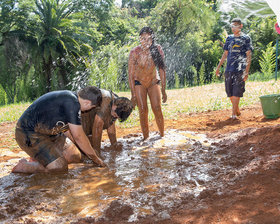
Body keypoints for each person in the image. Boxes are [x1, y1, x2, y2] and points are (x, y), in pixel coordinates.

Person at [12, 86, 106, 174]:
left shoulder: (71, 100)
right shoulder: (73, 103)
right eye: (92, 107)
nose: (88, 110)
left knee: (75, 156)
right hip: (28, 133)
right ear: (87, 103)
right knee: (59, 167)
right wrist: (96, 159)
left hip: (47, 133)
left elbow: (67, 130)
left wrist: (85, 151)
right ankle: (25, 166)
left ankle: (40, 158)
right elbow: (79, 137)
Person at [128, 26, 167, 140]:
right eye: (143, 38)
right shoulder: (134, 52)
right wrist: (133, 95)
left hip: (153, 82)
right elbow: (130, 74)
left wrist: (163, 89)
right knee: (143, 109)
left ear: (152, 39)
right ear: (139, 39)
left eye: (149, 39)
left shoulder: (157, 49)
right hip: (139, 82)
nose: (146, 41)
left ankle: (162, 136)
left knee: (157, 108)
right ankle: (145, 138)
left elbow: (162, 70)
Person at [216, 18, 253, 119]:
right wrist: (218, 67)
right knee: (230, 93)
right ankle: (236, 109)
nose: (233, 28)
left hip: (240, 69)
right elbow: (225, 54)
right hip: (229, 69)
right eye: (232, 26)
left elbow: (248, 55)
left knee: (237, 91)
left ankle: (233, 114)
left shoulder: (246, 38)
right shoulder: (229, 38)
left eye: (235, 26)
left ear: (241, 26)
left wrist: (246, 71)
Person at [81, 89, 133, 153]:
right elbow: (97, 127)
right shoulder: (106, 101)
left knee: (89, 144)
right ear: (115, 106)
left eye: (117, 117)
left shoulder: (116, 102)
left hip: (85, 124)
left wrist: (114, 144)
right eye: (115, 115)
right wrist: (97, 152)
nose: (115, 117)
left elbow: (110, 125)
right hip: (76, 123)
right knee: (78, 154)